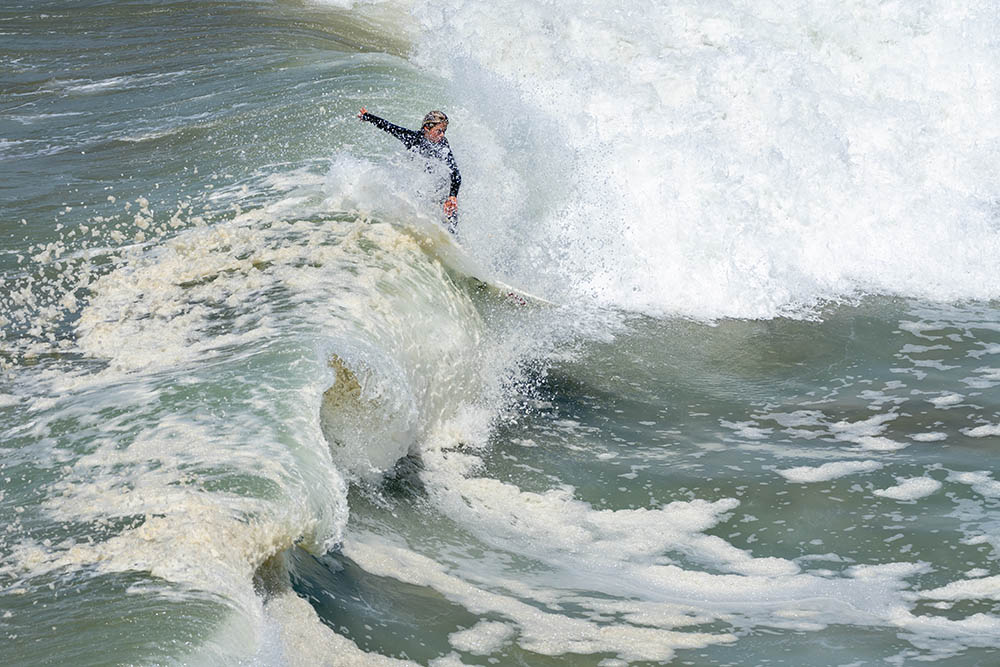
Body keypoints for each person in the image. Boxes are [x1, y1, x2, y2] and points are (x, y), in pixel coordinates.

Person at [358, 107, 461, 230]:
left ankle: (453, 236)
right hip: (421, 186)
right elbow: (389, 127)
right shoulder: (412, 138)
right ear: (427, 128)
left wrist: (452, 196)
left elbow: (455, 172)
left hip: (440, 186)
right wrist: (368, 117)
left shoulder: (443, 144)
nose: (442, 135)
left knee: (451, 214)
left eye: (444, 131)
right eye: (439, 131)